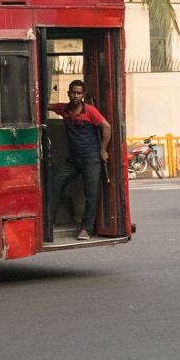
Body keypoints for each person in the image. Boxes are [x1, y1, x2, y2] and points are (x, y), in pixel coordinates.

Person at [47, 79, 112, 241]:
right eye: (73, 92)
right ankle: (49, 223)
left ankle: (86, 229)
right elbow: (46, 105)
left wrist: (103, 150)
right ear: (68, 93)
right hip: (73, 160)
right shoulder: (64, 109)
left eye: (79, 93)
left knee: (90, 194)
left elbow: (107, 126)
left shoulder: (89, 111)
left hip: (91, 159)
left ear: (83, 95)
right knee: (55, 183)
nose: (75, 96)